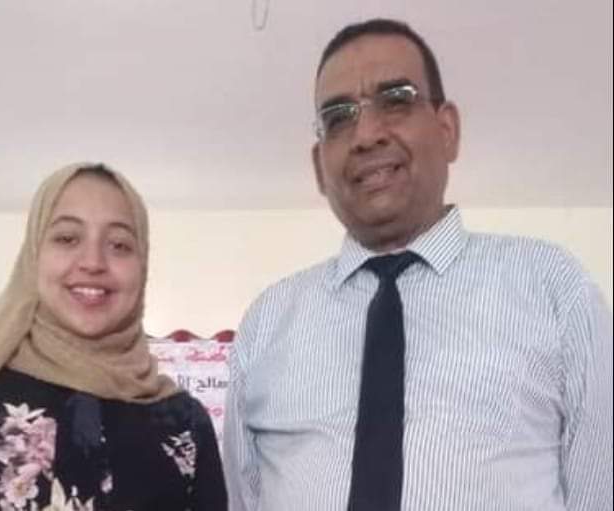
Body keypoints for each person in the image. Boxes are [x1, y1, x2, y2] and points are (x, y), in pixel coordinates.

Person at [223, 18, 612, 511]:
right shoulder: (268, 323)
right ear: (319, 166)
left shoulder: (551, 288)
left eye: (396, 100)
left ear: (448, 130)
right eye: (338, 117)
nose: (366, 134)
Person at [0, 163, 227, 511]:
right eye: (67, 238)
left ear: (142, 264)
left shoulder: (185, 423)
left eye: (119, 245)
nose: (93, 262)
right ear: (33, 256)